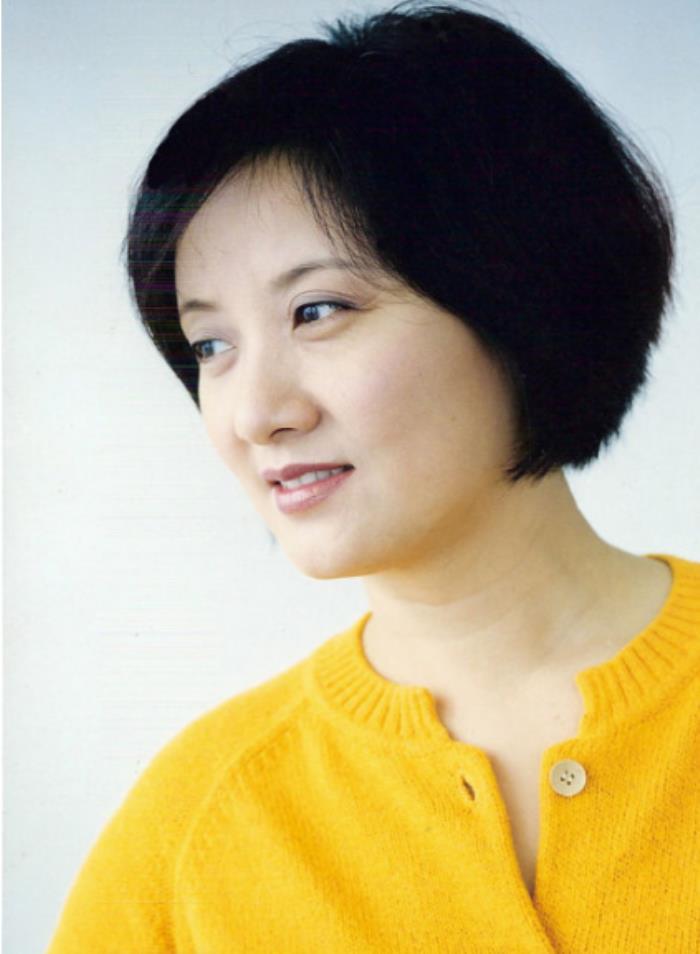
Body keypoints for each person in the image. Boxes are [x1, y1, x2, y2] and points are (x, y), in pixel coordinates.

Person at [47, 2, 699, 951]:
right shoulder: (195, 827)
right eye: (211, 344)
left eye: (317, 310)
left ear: (523, 295)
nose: (255, 412)